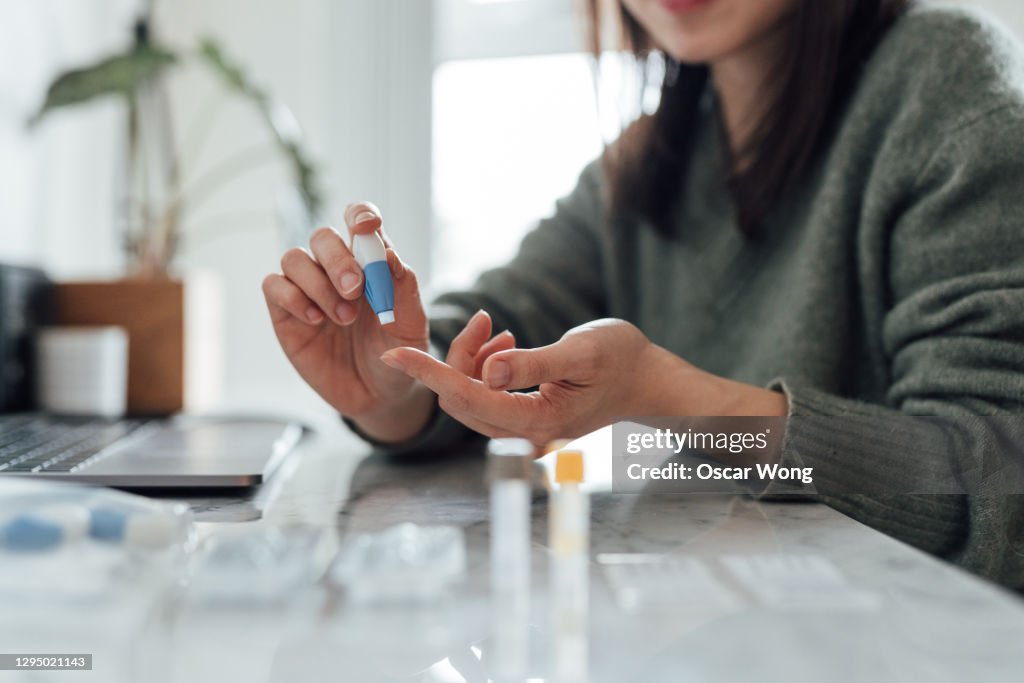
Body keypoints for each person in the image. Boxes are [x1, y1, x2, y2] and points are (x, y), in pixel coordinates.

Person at [262, 0, 1024, 589]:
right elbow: (502, 321)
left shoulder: (946, 79)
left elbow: (997, 474)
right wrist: (397, 386)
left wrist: (672, 398)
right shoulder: (651, 154)